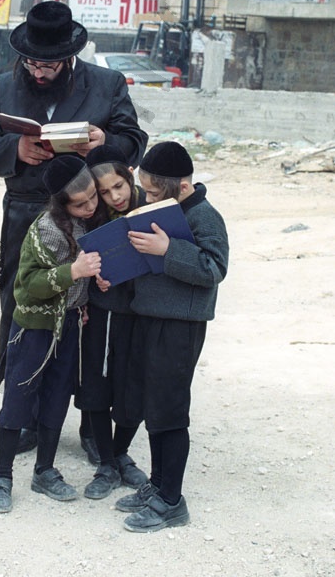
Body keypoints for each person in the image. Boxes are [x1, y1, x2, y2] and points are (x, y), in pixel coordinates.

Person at [0, 0, 148, 458]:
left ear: (68, 57)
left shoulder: (106, 84)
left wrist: (107, 142)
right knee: (23, 308)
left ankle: (92, 424)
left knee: (93, 317)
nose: (40, 72)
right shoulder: (6, 85)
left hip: (92, 215)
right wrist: (15, 149)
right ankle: (24, 416)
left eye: (48, 64)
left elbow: (135, 141)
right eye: (33, 62)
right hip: (25, 215)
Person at [114, 142, 229, 532]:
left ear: (181, 186)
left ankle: (171, 502)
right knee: (152, 406)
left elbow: (214, 268)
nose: (146, 197)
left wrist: (168, 249)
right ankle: (157, 484)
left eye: (154, 191)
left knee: (170, 412)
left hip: (179, 327)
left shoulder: (205, 217)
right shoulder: (162, 207)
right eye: (143, 189)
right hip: (148, 318)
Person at [0, 156, 102, 514]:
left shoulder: (93, 224)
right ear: (61, 203)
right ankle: (1, 476)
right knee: (18, 400)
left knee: (56, 399)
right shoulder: (44, 231)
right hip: (34, 331)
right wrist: (74, 271)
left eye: (93, 198)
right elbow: (26, 288)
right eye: (80, 203)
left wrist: (94, 283)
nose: (90, 206)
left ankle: (45, 471)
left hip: (70, 329)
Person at [76, 144, 148, 500]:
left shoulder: (153, 207)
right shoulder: (93, 218)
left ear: (129, 176)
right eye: (104, 192)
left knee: (134, 388)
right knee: (96, 387)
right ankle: (106, 461)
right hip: (104, 313)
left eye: (118, 186)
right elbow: (82, 260)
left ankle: (121, 453)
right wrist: (94, 277)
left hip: (143, 315)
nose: (114, 196)